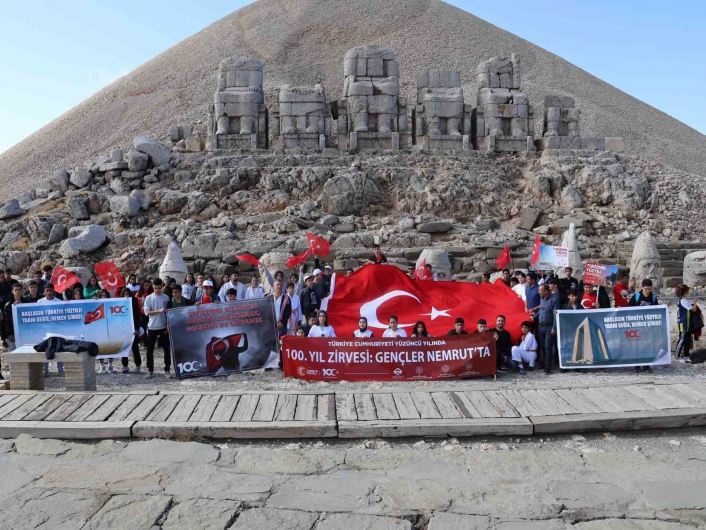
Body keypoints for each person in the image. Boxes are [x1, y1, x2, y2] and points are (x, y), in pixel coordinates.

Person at [628, 279, 660, 373]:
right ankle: (637, 365)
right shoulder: (637, 296)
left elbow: (657, 311)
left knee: (647, 345)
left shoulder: (653, 298)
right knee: (637, 345)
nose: (647, 291)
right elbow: (628, 309)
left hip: (648, 327)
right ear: (642, 288)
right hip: (637, 326)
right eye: (646, 289)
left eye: (649, 289)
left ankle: (646, 365)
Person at [143, 278, 172, 379]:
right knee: (150, 350)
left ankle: (167, 369)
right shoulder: (148, 298)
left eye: (159, 288)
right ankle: (150, 370)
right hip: (152, 327)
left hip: (163, 326)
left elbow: (169, 313)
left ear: (162, 286)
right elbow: (146, 312)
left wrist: (168, 325)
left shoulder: (166, 297)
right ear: (153, 287)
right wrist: (159, 311)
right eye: (155, 288)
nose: (157, 290)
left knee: (166, 349)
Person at [37, 283, 64, 376]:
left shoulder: (59, 302)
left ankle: (60, 369)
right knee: (45, 349)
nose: (49, 292)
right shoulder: (39, 302)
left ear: (54, 291)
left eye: (51, 290)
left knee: (58, 348)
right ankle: (45, 370)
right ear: (44, 292)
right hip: (44, 330)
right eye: (47, 290)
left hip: (57, 330)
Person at [2, 284, 26, 377]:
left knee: (24, 354)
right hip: (12, 334)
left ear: (22, 291)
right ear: (12, 291)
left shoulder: (26, 303)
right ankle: (14, 375)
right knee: (13, 355)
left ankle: (24, 374)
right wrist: (8, 334)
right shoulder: (8, 305)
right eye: (16, 290)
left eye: (19, 290)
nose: (18, 291)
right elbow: (6, 321)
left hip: (24, 334)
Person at [536, 284, 559, 375]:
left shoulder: (554, 300)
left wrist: (554, 327)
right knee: (542, 347)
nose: (539, 292)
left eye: (540, 290)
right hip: (541, 326)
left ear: (546, 291)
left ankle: (548, 367)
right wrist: (532, 317)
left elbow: (555, 315)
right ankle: (544, 363)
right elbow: (540, 311)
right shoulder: (541, 299)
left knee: (548, 347)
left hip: (549, 327)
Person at [120, 287, 142, 373]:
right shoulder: (119, 303)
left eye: (127, 294)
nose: (126, 296)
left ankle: (138, 365)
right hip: (124, 329)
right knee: (124, 348)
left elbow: (137, 317)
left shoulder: (134, 303)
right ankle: (125, 366)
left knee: (135, 347)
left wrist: (137, 329)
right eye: (124, 294)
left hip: (133, 329)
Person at [676, 284, 699, 360]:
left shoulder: (683, 300)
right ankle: (677, 356)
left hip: (687, 323)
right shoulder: (683, 301)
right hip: (683, 324)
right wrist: (695, 302)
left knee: (688, 340)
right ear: (685, 292)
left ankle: (686, 356)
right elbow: (694, 309)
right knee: (682, 340)